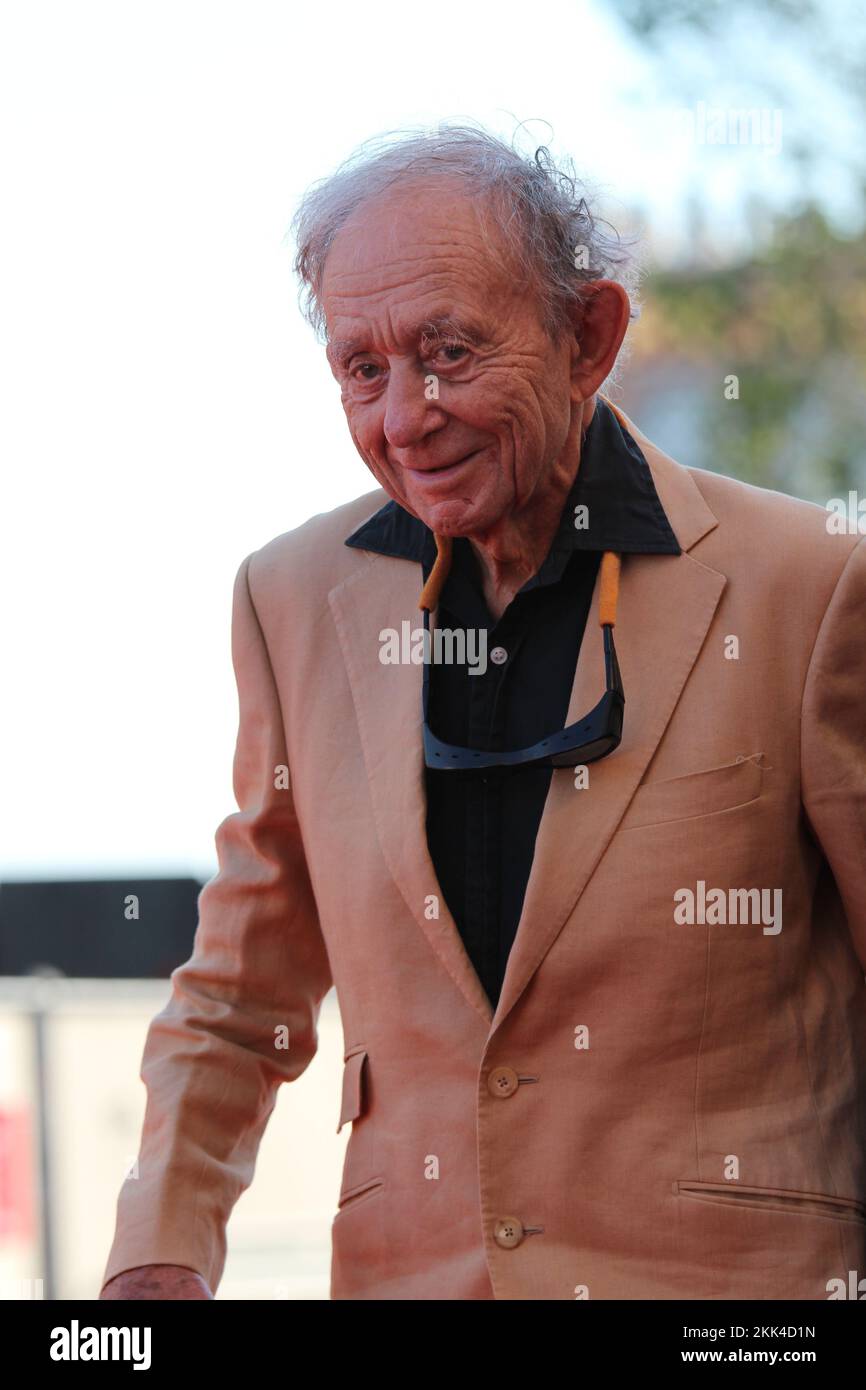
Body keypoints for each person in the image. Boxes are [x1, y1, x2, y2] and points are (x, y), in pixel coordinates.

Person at [101, 125, 866, 1301]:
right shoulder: (289, 597)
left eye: (448, 352)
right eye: (361, 370)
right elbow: (238, 991)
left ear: (588, 338)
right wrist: (157, 1252)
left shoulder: (807, 582)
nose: (405, 418)